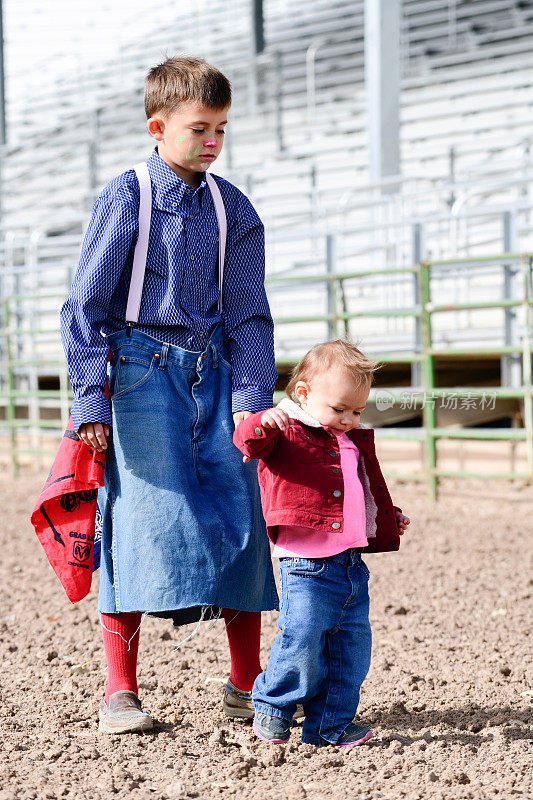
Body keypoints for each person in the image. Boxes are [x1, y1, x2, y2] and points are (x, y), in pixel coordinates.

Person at [60, 56, 279, 734]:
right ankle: (119, 695)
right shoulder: (125, 197)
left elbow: (247, 312)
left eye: (220, 128)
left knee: (240, 522)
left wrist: (251, 397)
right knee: (138, 523)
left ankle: (246, 685)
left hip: (215, 374)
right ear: (157, 128)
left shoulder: (232, 208)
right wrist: (91, 401)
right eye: (198, 128)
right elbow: (85, 306)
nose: (212, 141)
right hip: (137, 374)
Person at [233, 340, 410, 747]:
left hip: (349, 565)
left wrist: (385, 516)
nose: (348, 418)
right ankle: (273, 705)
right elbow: (247, 442)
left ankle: (330, 724)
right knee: (303, 637)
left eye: (356, 411)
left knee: (352, 647)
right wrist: (263, 421)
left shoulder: (350, 442)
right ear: (304, 394)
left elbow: (357, 492)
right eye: (339, 409)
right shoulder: (286, 432)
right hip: (306, 565)